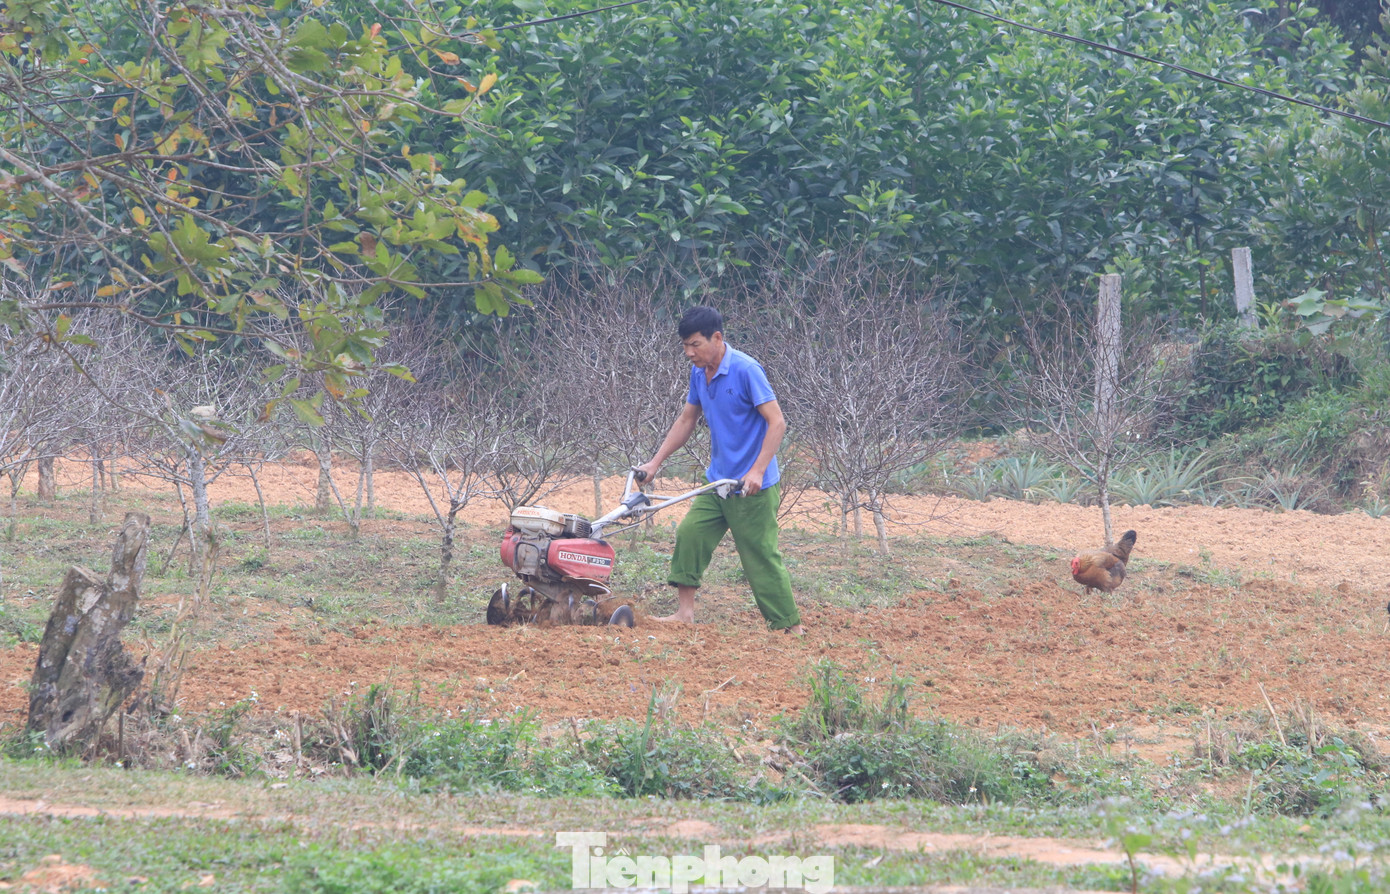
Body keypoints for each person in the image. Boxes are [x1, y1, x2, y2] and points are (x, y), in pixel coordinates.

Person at [634, 306, 805, 635]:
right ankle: (685, 613)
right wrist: (654, 463)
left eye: (695, 344)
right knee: (691, 535)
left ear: (717, 338)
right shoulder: (699, 372)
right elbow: (687, 419)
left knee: (759, 554)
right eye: (685, 346)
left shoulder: (745, 370)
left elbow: (777, 422)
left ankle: (789, 627)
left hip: (752, 486)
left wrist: (757, 470)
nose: (689, 353)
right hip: (718, 481)